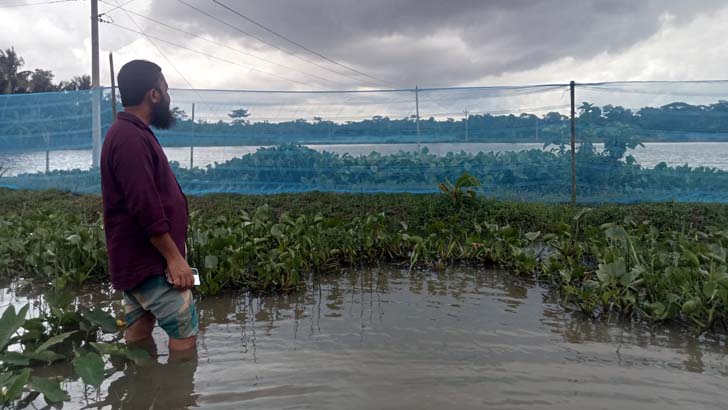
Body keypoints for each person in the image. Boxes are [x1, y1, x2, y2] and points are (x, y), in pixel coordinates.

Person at [100, 60, 197, 354]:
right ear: (153, 94)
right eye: (165, 88)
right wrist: (174, 258)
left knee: (140, 333)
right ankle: (178, 396)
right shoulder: (130, 138)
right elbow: (144, 206)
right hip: (152, 264)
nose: (168, 96)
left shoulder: (130, 133)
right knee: (185, 341)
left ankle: (140, 388)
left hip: (139, 262)